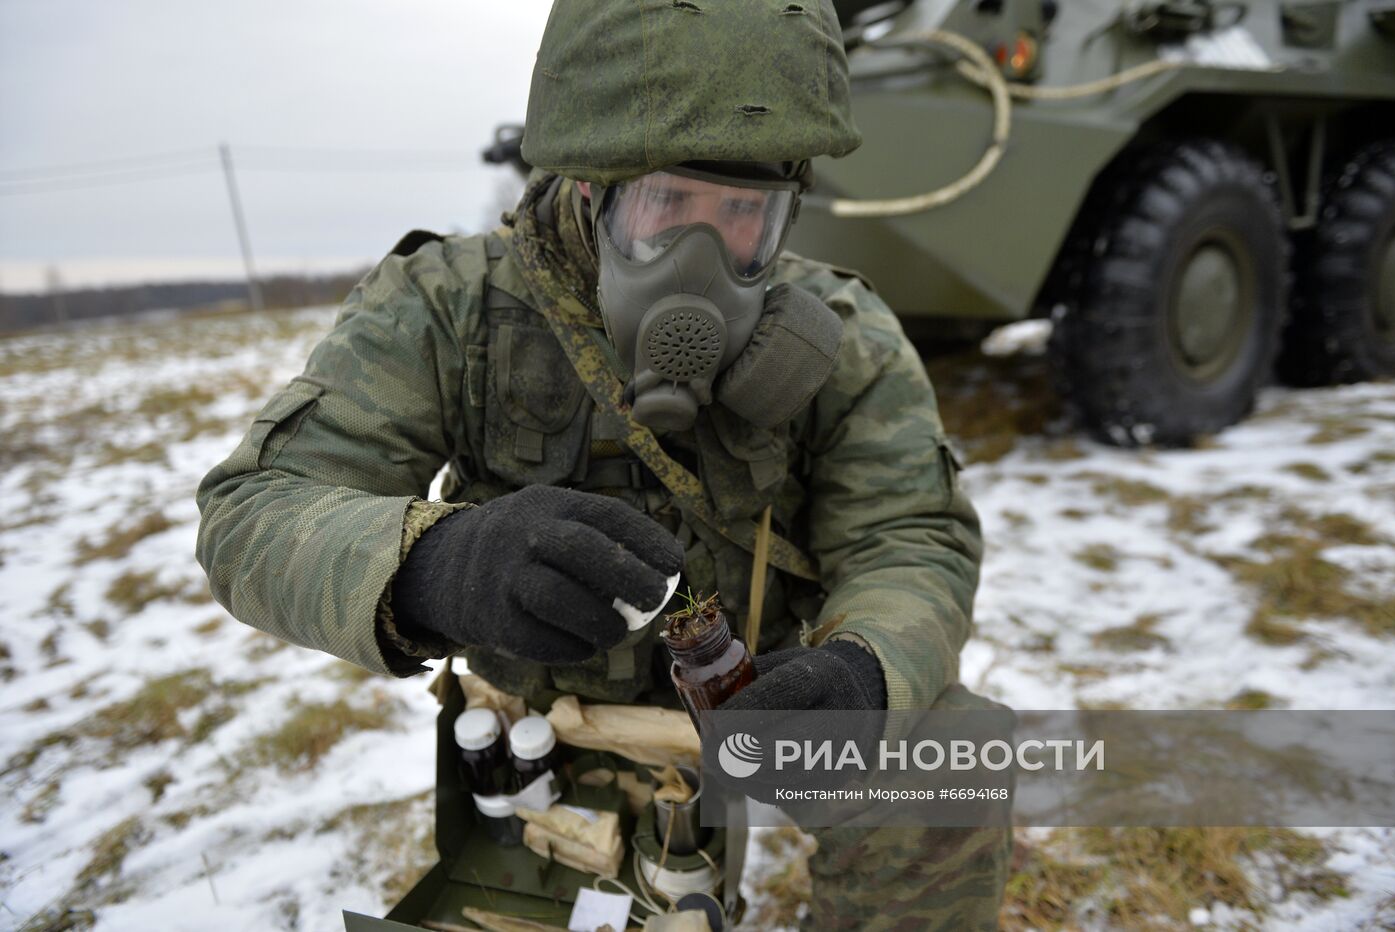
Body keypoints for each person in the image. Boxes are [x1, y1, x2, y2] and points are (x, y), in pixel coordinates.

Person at [195, 0, 1011, 927]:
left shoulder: (844, 341)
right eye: (666, 205)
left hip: (758, 699)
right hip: (542, 715)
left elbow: (907, 534)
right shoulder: (449, 308)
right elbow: (251, 515)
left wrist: (868, 673)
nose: (698, 258)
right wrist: (437, 564)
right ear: (588, 187)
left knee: (954, 748)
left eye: (744, 214)